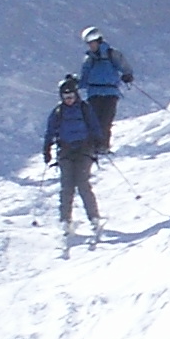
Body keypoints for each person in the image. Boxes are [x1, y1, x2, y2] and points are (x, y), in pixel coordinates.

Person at [43, 75, 105, 241]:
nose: (68, 100)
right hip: (66, 150)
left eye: (71, 97)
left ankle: (94, 217)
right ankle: (65, 219)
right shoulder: (58, 112)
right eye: (65, 97)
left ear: (76, 94)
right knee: (67, 185)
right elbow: (50, 131)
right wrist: (47, 148)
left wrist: (99, 142)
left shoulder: (84, 108)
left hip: (84, 149)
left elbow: (94, 126)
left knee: (83, 183)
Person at [76, 26, 134, 151]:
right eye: (89, 44)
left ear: (99, 41)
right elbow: (85, 77)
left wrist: (127, 75)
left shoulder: (112, 54)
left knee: (106, 120)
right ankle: (93, 146)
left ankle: (103, 146)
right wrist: (75, 85)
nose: (91, 46)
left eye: (92, 43)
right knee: (93, 120)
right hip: (94, 93)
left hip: (110, 92)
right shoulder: (89, 59)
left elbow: (124, 66)